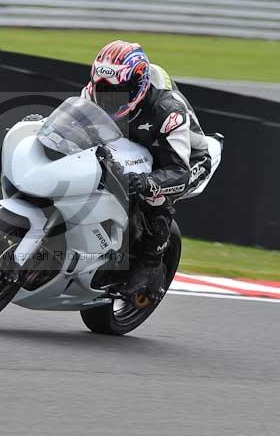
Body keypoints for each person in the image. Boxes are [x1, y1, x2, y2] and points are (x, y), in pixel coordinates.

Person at [81, 40, 223, 306]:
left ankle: (150, 262)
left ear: (138, 86)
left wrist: (149, 182)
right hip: (135, 146)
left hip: (185, 159)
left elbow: (178, 171)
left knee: (152, 195)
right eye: (104, 89)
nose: (110, 98)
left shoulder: (168, 111)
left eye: (120, 91)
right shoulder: (91, 93)